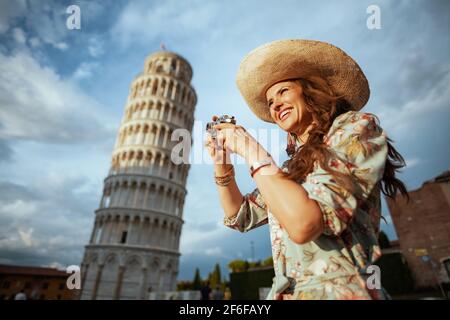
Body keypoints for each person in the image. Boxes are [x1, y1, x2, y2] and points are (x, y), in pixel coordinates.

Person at [205, 39, 408, 300]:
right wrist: (222, 163)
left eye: (284, 91)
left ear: (309, 91)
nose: (275, 105)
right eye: (269, 102)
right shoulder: (289, 169)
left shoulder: (356, 129)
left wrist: (253, 152)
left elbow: (305, 223)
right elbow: (240, 215)